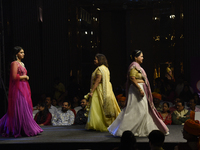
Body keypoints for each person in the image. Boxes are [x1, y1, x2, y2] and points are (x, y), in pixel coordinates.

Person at [108, 50, 169, 137]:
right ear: (135, 57)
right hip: (136, 90)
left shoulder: (137, 66)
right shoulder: (134, 66)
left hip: (139, 89)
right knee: (137, 111)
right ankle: (126, 130)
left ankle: (141, 130)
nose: (142, 58)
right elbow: (132, 78)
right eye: (141, 56)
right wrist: (139, 89)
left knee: (143, 110)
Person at [0, 46, 43, 137]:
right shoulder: (14, 63)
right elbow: (14, 77)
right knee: (20, 107)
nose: (23, 54)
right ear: (16, 54)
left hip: (24, 87)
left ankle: (26, 127)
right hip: (18, 88)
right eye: (21, 52)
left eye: (23, 52)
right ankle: (19, 128)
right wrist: (25, 77)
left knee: (25, 107)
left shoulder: (22, 63)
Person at [86, 53, 121, 132]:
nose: (94, 60)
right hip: (107, 89)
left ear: (100, 60)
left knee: (97, 107)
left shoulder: (99, 69)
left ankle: (99, 124)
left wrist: (92, 91)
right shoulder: (105, 68)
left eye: (95, 59)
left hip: (100, 90)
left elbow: (98, 80)